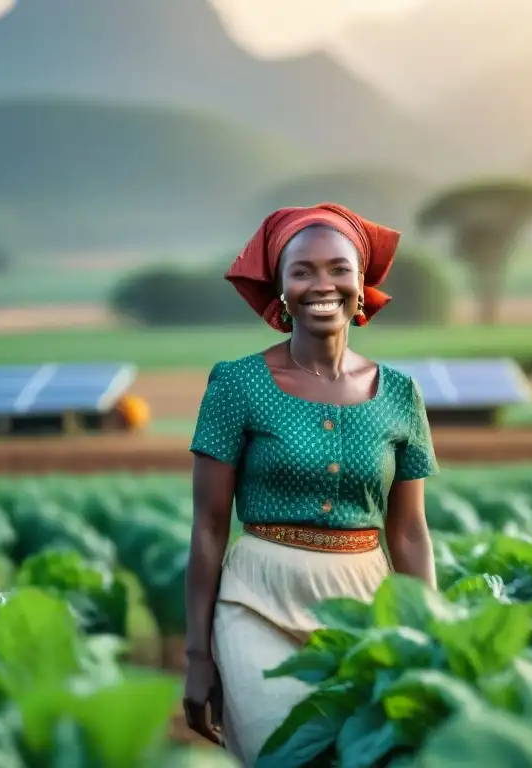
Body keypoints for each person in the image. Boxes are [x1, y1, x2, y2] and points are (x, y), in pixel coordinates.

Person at [182, 202, 439, 766]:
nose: (322, 284)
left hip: (364, 603)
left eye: (338, 269)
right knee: (282, 755)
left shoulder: (400, 394)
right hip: (257, 601)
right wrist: (198, 653)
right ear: (280, 287)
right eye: (302, 271)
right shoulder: (236, 384)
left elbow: (411, 534)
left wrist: (432, 637)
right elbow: (207, 527)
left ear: (361, 284)